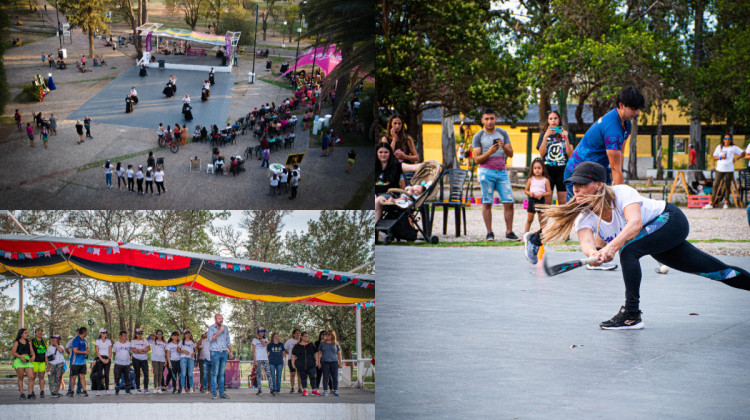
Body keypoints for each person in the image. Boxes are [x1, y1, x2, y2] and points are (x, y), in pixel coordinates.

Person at [540, 161, 750, 329]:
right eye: (574, 185)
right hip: (653, 240)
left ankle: (632, 314)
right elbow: (587, 244)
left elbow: (635, 224)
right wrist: (595, 256)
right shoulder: (583, 217)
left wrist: (611, 248)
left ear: (599, 185)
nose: (576, 190)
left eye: (582, 184)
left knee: (628, 250)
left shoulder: (622, 193)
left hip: (670, 220)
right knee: (717, 272)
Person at [564, 86, 645, 201]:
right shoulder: (613, 129)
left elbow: (620, 153)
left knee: (605, 207)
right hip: (578, 171)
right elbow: (615, 167)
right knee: (578, 214)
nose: (636, 112)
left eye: (638, 109)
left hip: (597, 170)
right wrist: (622, 199)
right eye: (633, 108)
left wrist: (618, 187)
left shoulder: (627, 124)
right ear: (621, 105)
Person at [472, 108, 518, 241]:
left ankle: (509, 232)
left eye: (492, 118)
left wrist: (503, 147)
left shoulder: (503, 133)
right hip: (486, 172)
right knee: (487, 202)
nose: (489, 121)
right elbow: (477, 159)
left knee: (509, 202)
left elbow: (511, 153)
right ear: (482, 120)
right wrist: (490, 152)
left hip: (502, 172)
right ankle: (489, 232)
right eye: (486, 119)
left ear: (496, 119)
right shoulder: (478, 136)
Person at [537, 110, 574, 206]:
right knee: (547, 202)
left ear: (559, 120)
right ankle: (545, 221)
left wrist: (566, 138)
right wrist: (545, 137)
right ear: (548, 121)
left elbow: (571, 155)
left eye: (555, 118)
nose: (553, 120)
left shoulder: (566, 134)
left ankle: (562, 221)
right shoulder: (543, 135)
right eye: (551, 118)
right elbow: (541, 152)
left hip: (562, 171)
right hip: (548, 171)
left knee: (563, 202)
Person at [704, 133, 745, 209]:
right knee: (716, 185)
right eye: (725, 138)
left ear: (731, 140)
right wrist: (721, 157)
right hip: (720, 168)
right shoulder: (719, 147)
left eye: (728, 139)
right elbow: (714, 157)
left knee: (727, 185)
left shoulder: (733, 147)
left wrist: (736, 158)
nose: (727, 140)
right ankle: (711, 202)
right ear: (723, 140)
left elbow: (743, 153)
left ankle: (726, 202)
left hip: (729, 169)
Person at [207, 313, 233, 399]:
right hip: (215, 353)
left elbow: (228, 341)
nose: (221, 320)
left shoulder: (225, 328)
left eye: (222, 318)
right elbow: (211, 339)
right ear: (215, 320)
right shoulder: (211, 328)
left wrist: (231, 351)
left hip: (224, 353)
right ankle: (214, 393)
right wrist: (219, 331)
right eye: (219, 319)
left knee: (221, 374)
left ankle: (222, 393)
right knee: (215, 373)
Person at [524, 158, 552, 234]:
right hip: (532, 200)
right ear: (532, 169)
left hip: (541, 200)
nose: (537, 170)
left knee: (541, 219)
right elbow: (525, 190)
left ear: (543, 169)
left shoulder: (545, 180)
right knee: (530, 218)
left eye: (539, 168)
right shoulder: (531, 179)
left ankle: (542, 234)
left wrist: (542, 194)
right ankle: (526, 234)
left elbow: (549, 192)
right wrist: (530, 193)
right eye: (535, 168)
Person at [291, 331, 321, 396]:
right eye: (305, 336)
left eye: (307, 336)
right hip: (301, 365)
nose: (306, 337)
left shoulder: (311, 345)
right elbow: (293, 355)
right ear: (301, 337)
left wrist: (317, 361)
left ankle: (314, 390)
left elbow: (316, 353)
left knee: (312, 377)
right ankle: (305, 390)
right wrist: (293, 363)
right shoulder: (297, 346)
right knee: (303, 377)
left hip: (311, 364)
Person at [12, 328, 35, 400]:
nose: (27, 334)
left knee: (31, 377)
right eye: (25, 333)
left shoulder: (29, 342)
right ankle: (22, 393)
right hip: (19, 360)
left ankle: (30, 393)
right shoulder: (16, 342)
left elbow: (32, 352)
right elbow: (13, 352)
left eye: (27, 333)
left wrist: (33, 356)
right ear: (21, 334)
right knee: (20, 377)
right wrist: (20, 357)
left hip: (27, 360)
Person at [317, 330, 342, 396]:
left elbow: (339, 354)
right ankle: (325, 390)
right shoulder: (322, 343)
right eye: (326, 334)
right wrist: (318, 362)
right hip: (325, 362)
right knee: (325, 376)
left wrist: (340, 362)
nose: (326, 336)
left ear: (332, 336)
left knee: (334, 377)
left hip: (334, 362)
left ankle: (335, 390)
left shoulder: (336, 343)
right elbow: (319, 353)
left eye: (328, 334)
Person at [67, 326, 89, 397]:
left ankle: (84, 390)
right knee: (73, 376)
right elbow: (75, 350)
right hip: (75, 362)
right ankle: (72, 391)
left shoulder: (85, 341)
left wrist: (86, 354)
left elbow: (85, 350)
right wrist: (84, 352)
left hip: (82, 362)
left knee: (82, 376)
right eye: (86, 332)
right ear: (84, 332)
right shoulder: (76, 340)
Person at [251, 327, 273, 395]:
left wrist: (260, 339)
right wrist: (255, 360)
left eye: (263, 331)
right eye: (261, 331)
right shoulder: (254, 340)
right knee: (259, 374)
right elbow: (253, 350)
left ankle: (271, 389)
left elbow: (265, 344)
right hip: (258, 358)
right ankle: (259, 390)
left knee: (268, 373)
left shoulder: (265, 339)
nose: (262, 332)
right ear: (258, 332)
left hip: (265, 358)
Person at [93, 328, 112, 396]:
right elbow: (97, 351)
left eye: (106, 332)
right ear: (100, 334)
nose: (105, 334)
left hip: (107, 358)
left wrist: (108, 358)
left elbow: (110, 350)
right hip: (100, 358)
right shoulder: (98, 341)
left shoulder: (108, 341)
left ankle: (107, 389)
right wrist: (101, 359)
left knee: (106, 375)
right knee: (99, 374)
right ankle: (98, 390)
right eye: (103, 333)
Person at [29, 328, 47, 399]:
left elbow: (46, 352)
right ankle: (31, 391)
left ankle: (42, 391)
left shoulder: (44, 341)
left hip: (42, 361)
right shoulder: (32, 341)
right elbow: (30, 350)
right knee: (32, 377)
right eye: (38, 332)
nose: (40, 333)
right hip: (35, 361)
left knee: (41, 377)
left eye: (41, 332)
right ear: (35, 333)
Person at [130, 329, 150, 393]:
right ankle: (138, 388)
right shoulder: (133, 341)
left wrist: (140, 350)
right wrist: (143, 350)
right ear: (136, 334)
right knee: (137, 374)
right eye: (139, 333)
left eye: (141, 333)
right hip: (136, 359)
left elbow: (149, 348)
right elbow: (133, 349)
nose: (140, 335)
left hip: (144, 359)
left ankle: (146, 388)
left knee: (146, 374)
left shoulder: (145, 340)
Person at [112, 330, 132, 395]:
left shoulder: (129, 344)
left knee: (127, 377)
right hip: (118, 364)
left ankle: (128, 390)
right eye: (124, 335)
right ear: (120, 336)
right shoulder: (116, 344)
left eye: (126, 335)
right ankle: (117, 389)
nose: (125, 337)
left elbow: (130, 352)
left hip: (126, 364)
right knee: (117, 377)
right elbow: (114, 353)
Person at [284, 329, 301, 393]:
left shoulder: (301, 341)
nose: (298, 334)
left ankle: (300, 388)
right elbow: (285, 349)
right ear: (293, 334)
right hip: (291, 359)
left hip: (299, 359)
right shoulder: (289, 341)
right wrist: (290, 354)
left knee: (299, 374)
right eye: (297, 333)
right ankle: (292, 388)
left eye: (299, 333)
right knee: (292, 373)